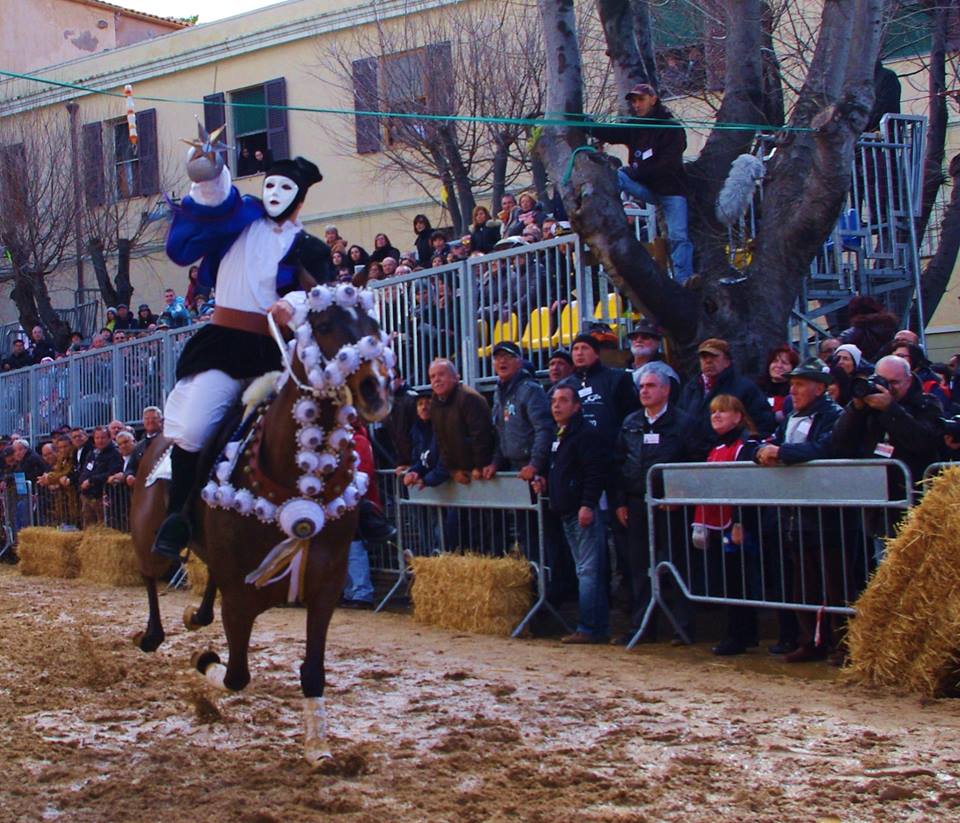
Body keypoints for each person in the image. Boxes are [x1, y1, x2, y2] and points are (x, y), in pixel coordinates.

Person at [156, 140, 330, 560]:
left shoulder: (311, 247)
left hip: (277, 353)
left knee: (326, 417)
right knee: (195, 426)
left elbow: (327, 295)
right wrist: (210, 173)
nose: (273, 194)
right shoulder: (239, 221)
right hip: (225, 348)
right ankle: (178, 514)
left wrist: (295, 303)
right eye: (269, 185)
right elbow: (217, 203)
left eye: (284, 188)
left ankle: (356, 510)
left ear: (300, 199)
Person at [747, 358, 844, 661]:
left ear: (819, 387)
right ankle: (809, 640)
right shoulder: (791, 415)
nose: (794, 389)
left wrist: (782, 452)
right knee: (804, 583)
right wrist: (761, 452)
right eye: (792, 384)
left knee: (834, 582)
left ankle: (842, 643)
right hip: (794, 513)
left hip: (826, 513)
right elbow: (770, 442)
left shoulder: (833, 415)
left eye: (800, 384)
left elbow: (825, 449)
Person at [612, 362, 694, 643]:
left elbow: (692, 462)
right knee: (639, 566)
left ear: (666, 389)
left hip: (670, 504)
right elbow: (619, 462)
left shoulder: (684, 423)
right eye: (642, 387)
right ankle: (643, 625)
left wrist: (680, 495)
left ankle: (682, 626)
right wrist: (620, 501)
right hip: (636, 503)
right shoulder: (630, 422)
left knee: (676, 564)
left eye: (651, 386)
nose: (644, 391)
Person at [593, 83, 693, 284]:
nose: (636, 105)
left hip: (671, 190)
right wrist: (590, 125)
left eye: (640, 100)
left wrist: (637, 172)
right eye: (634, 101)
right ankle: (611, 220)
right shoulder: (636, 128)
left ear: (653, 99)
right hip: (647, 187)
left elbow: (667, 165)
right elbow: (613, 133)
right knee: (617, 176)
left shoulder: (671, 129)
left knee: (679, 236)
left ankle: (684, 279)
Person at [535, 384, 610, 644]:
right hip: (567, 509)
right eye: (554, 400)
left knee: (588, 570)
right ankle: (594, 626)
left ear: (577, 406)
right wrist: (545, 480)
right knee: (586, 569)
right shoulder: (562, 434)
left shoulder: (584, 434)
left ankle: (589, 627)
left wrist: (587, 504)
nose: (556, 405)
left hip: (581, 510)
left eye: (563, 401)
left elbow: (594, 472)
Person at [690, 395, 762, 655]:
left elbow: (744, 486)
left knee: (738, 581)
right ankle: (742, 632)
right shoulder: (717, 446)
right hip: (719, 522)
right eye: (713, 412)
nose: (716, 416)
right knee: (729, 579)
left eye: (722, 411)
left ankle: (740, 634)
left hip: (737, 523)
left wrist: (740, 522)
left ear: (738, 416)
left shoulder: (745, 445)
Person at [832, 355, 943, 491]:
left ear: (909, 381)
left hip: (913, 488)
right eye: (883, 381)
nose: (888, 388)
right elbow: (839, 440)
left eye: (894, 382)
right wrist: (856, 409)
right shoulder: (868, 405)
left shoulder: (926, 403)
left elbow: (923, 441)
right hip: (874, 491)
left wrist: (890, 409)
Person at [676, 337, 776, 459]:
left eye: (714, 357)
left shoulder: (746, 388)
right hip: (693, 458)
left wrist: (736, 448)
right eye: (704, 357)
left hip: (729, 458)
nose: (708, 361)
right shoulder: (690, 388)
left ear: (727, 361)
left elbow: (763, 425)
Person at [483, 342, 553, 482]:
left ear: (519, 361)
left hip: (535, 469)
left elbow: (544, 429)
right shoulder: (498, 393)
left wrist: (535, 464)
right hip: (512, 466)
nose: (502, 361)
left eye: (508, 356)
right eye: (497, 357)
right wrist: (495, 463)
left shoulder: (531, 390)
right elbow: (500, 432)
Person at [564, 331, 639, 447]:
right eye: (575, 349)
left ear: (596, 353)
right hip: (574, 451)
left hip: (610, 449)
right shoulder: (564, 385)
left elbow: (632, 416)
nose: (579, 353)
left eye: (584, 348)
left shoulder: (618, 378)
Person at [427, 358, 494, 485]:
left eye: (441, 374)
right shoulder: (435, 403)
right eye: (432, 376)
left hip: (480, 473)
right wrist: (452, 470)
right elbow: (441, 440)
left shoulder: (469, 399)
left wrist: (479, 466)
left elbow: (481, 436)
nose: (436, 379)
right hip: (459, 473)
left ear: (455, 377)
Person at [77, 427, 122, 528]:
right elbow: (85, 470)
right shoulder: (92, 453)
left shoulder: (114, 454)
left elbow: (112, 472)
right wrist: (82, 482)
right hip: (87, 496)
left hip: (102, 496)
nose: (100, 440)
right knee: (88, 526)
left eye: (103, 438)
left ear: (109, 438)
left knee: (103, 526)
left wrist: (91, 481)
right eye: (97, 438)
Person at [755, 344, 800, 423]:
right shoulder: (756, 388)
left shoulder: (795, 392)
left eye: (784, 363)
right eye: (775, 361)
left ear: (793, 368)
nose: (778, 366)